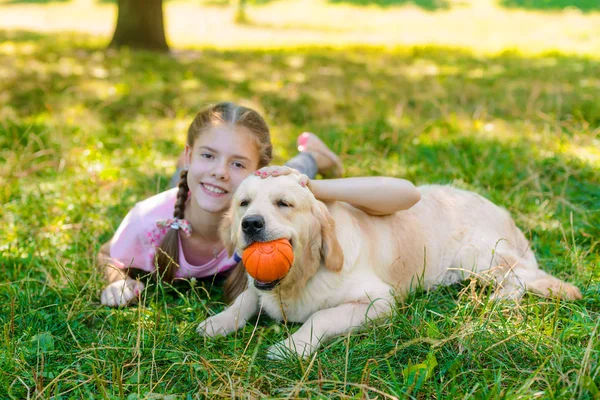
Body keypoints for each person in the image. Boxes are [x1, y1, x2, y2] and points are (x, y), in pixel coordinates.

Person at [97, 102, 421, 307]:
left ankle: (313, 158)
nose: (221, 172)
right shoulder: (148, 221)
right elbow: (107, 254)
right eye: (208, 155)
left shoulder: (273, 210)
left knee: (296, 174)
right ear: (189, 155)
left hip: (260, 190)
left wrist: (312, 187)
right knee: (196, 183)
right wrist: (118, 280)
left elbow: (405, 195)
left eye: (238, 164)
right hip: (186, 194)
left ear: (260, 173)